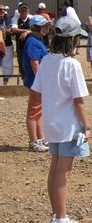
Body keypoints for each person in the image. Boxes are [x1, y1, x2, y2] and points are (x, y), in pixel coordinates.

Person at [31, 16, 91, 223]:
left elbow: (36, 91)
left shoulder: (47, 60)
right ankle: (61, 220)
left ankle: (58, 216)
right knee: (63, 172)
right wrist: (87, 126)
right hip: (68, 126)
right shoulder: (72, 64)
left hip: (51, 124)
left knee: (55, 168)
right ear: (72, 40)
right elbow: (79, 100)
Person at [22, 14, 50, 152]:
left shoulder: (36, 40)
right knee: (34, 112)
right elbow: (34, 64)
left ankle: (41, 138)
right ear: (38, 27)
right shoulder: (33, 42)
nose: (46, 27)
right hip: (35, 82)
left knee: (38, 111)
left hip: (36, 81)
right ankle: (33, 142)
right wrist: (41, 81)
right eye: (44, 25)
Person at [11, 2, 33, 80]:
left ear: (28, 11)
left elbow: (35, 29)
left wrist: (26, 32)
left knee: (32, 64)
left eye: (25, 10)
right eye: (22, 10)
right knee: (21, 65)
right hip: (20, 46)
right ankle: (25, 83)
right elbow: (13, 29)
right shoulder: (16, 18)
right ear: (19, 11)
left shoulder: (32, 18)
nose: (23, 12)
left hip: (31, 46)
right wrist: (27, 30)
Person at [0, 3, 12, 85]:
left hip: (7, 44)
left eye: (3, 9)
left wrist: (5, 31)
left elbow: (10, 29)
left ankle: (5, 85)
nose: (2, 11)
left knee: (7, 66)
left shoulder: (7, 17)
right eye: (0, 10)